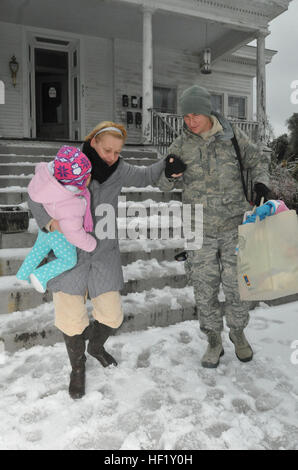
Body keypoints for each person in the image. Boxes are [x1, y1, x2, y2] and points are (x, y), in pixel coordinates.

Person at [28, 121, 166, 399]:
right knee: (70, 319)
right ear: (93, 143)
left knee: (112, 317)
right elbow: (35, 193)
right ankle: (77, 368)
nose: (112, 157)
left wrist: (171, 159)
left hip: (103, 252)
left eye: (117, 151)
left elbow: (146, 175)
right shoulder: (69, 164)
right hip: (69, 253)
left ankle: (96, 347)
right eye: (107, 150)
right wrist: (47, 221)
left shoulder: (119, 169)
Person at [159, 85, 271, 368]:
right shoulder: (181, 144)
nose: (190, 121)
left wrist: (261, 184)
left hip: (235, 223)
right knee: (204, 287)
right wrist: (170, 174)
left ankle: (238, 332)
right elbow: (162, 182)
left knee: (238, 286)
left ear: (208, 112)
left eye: (195, 115)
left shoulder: (232, 136)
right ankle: (213, 339)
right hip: (198, 226)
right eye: (185, 117)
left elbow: (258, 161)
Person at [16, 146, 95, 293]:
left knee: (38, 250)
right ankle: (40, 276)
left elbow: (41, 168)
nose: (91, 176)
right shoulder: (72, 204)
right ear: (80, 182)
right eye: (88, 175)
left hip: (46, 228)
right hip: (60, 234)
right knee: (69, 260)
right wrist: (90, 244)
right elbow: (73, 233)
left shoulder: (51, 184)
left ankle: (23, 274)